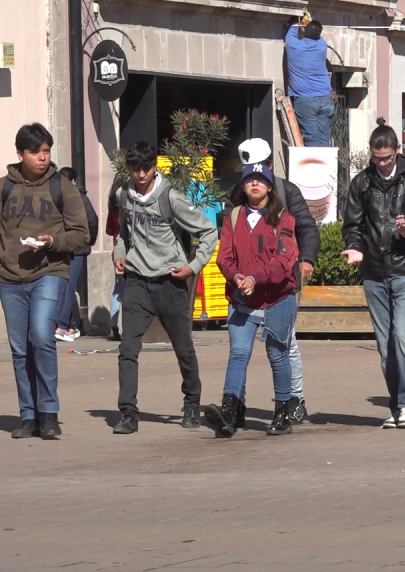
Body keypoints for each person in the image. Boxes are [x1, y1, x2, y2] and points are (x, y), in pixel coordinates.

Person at [112, 142, 217, 435]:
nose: (141, 174)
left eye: (146, 168)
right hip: (137, 283)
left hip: (170, 282)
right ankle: (128, 413)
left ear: (155, 166)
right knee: (127, 349)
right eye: (135, 168)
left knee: (183, 348)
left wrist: (193, 267)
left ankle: (192, 404)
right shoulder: (123, 195)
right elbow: (122, 233)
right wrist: (120, 254)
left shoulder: (171, 198)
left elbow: (208, 230)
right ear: (129, 168)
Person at [341, 123, 405, 429]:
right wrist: (355, 248)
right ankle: (396, 405)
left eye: (386, 157)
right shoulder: (362, 183)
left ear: (397, 150)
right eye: (376, 158)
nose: (381, 163)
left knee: (402, 336)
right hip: (373, 271)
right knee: (384, 345)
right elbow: (352, 225)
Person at [0, 123, 89, 439]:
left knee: (41, 337)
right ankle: (28, 416)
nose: (42, 157)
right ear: (20, 154)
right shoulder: (4, 188)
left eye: (46, 151)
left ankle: (49, 414)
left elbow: (82, 234)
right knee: (20, 348)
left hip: (49, 273)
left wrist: (51, 241)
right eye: (35, 151)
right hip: (9, 279)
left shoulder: (62, 187)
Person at [205, 160, 301, 437]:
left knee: (277, 353)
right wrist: (236, 277)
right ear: (243, 187)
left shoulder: (284, 218)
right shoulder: (233, 217)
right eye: (249, 180)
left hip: (277, 297)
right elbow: (224, 257)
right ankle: (229, 412)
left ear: (270, 187)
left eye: (260, 180)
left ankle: (283, 413)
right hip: (242, 299)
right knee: (238, 354)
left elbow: (283, 260)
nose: (255, 184)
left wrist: (255, 279)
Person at [230, 138, 320, 428]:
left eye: (260, 169)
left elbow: (306, 226)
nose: (253, 177)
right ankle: (235, 406)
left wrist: (306, 258)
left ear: (270, 165)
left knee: (284, 345)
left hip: (280, 283)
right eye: (247, 172)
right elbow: (234, 234)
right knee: (240, 352)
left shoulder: (287, 191)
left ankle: (294, 400)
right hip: (246, 288)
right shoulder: (238, 196)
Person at [54, 167, 99, 342]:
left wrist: (88, 241)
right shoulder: (61, 197)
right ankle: (71, 326)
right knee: (64, 287)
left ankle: (63, 326)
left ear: (73, 182)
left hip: (75, 250)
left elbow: (92, 220)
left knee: (68, 287)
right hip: (65, 248)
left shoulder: (79, 197)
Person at [284, 19, 335, 147]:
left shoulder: (293, 45)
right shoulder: (322, 46)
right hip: (325, 99)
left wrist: (298, 24)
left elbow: (292, 29)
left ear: (304, 31)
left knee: (312, 142)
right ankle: (325, 166)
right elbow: (316, 34)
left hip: (306, 100)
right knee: (324, 141)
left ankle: (315, 167)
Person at [106, 175, 128, 341]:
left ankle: (114, 323)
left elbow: (109, 230)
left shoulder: (112, 205)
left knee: (117, 289)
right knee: (128, 290)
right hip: (129, 250)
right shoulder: (127, 203)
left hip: (116, 251)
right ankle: (127, 325)